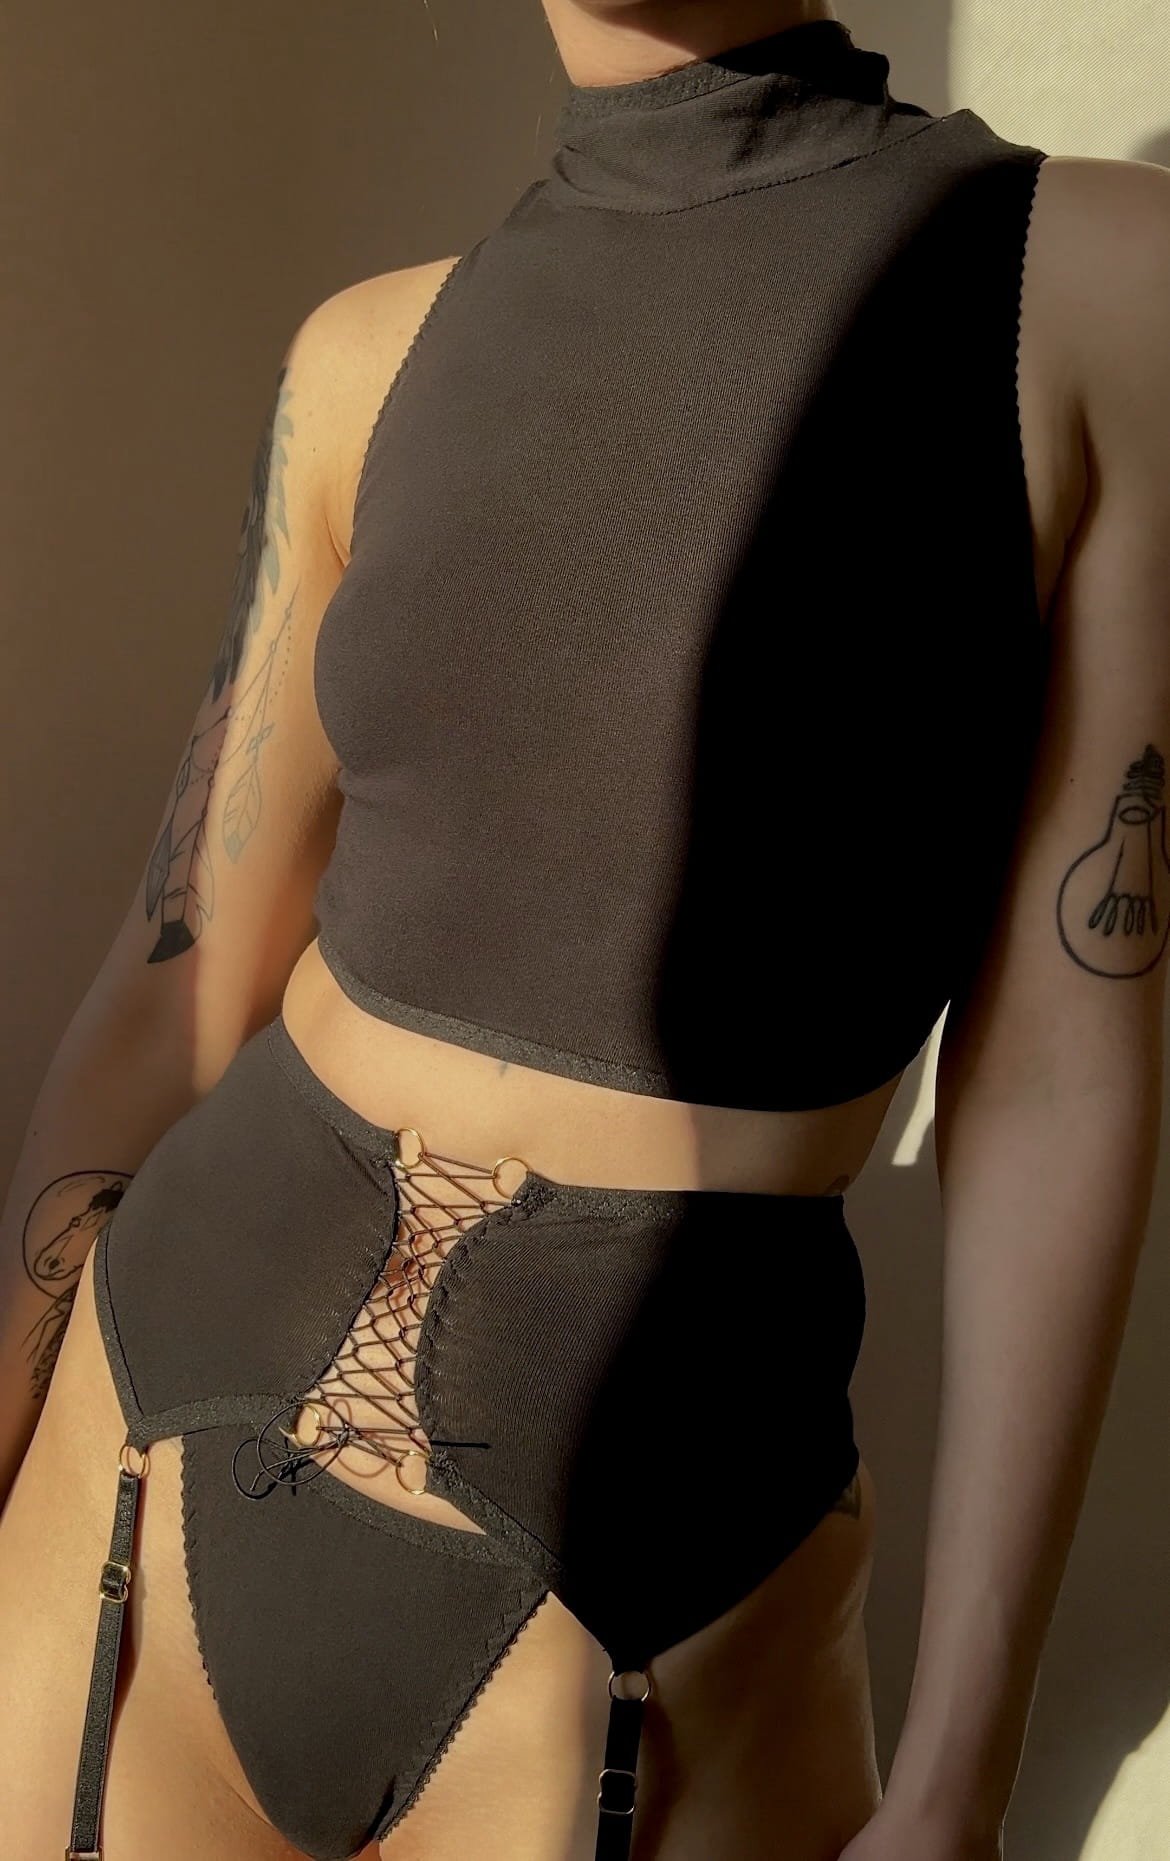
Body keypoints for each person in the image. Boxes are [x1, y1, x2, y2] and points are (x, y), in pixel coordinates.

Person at [1, 2, 1167, 1857]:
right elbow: (172, 994)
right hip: (133, 1483)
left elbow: (1061, 1074)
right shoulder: (365, 358)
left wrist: (963, 1770)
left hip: (665, 1571)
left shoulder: (1104, 285)